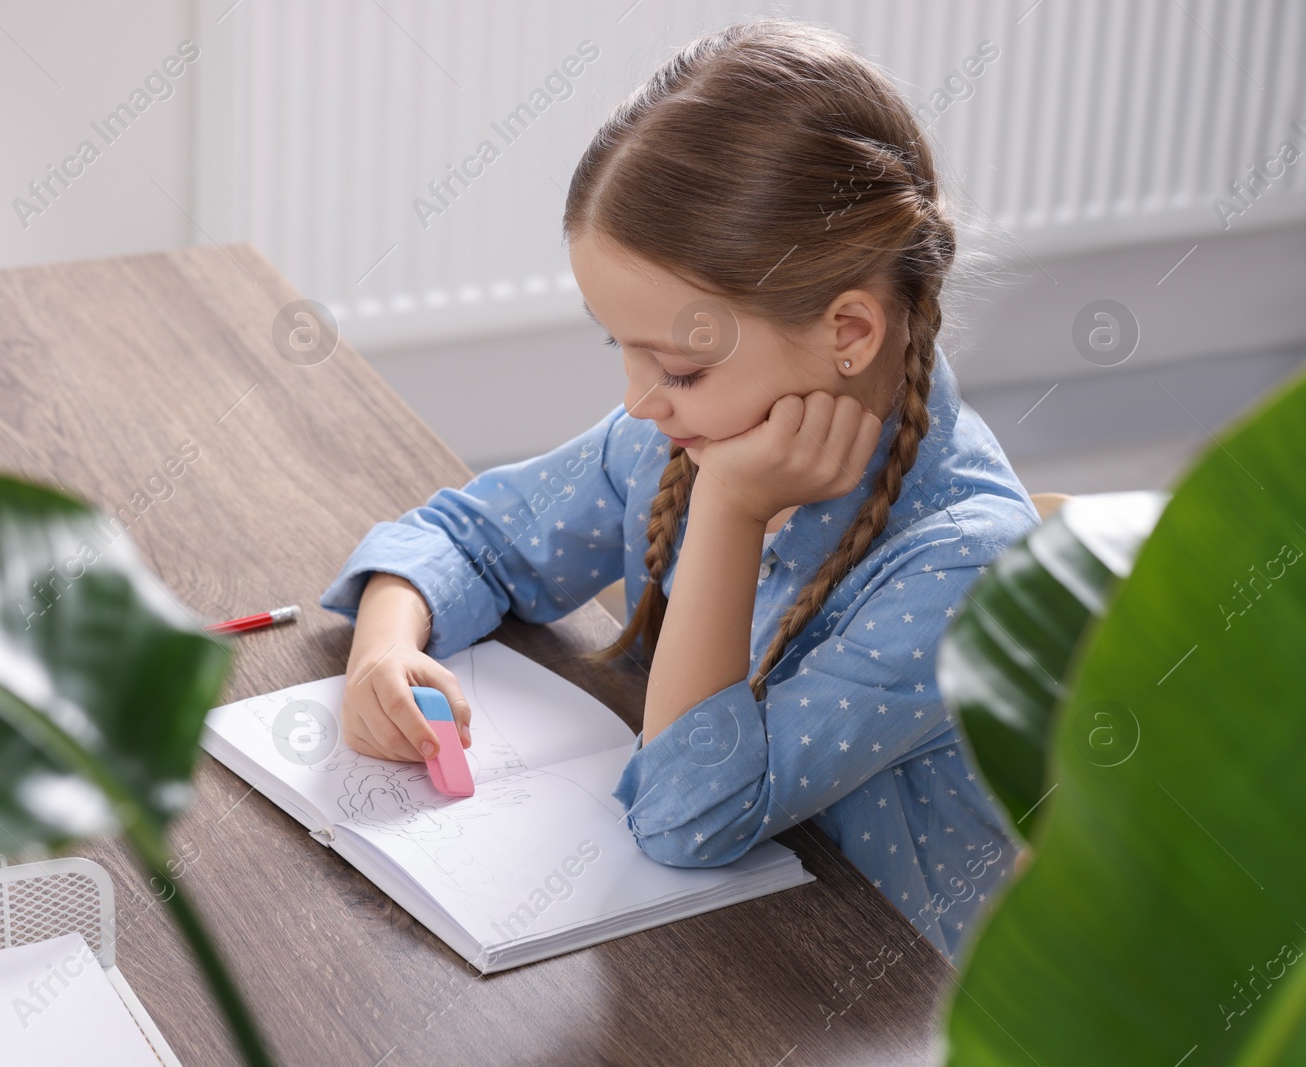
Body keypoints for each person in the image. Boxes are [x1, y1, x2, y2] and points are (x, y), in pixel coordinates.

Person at [319, 16, 1039, 964]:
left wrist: (733, 513)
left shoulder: (967, 570)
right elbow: (469, 536)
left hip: (871, 1000)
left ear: (850, 333)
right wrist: (383, 648)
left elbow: (688, 817)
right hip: (708, 945)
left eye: (680, 367)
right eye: (616, 345)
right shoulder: (681, 433)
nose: (636, 400)